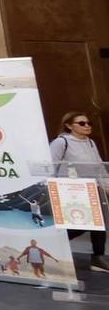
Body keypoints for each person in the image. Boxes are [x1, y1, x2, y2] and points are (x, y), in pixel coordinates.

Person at [52, 111, 109, 270]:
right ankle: (55, 246)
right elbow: (51, 166)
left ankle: (97, 258)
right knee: (80, 225)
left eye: (88, 123)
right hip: (72, 190)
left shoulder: (90, 142)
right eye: (82, 123)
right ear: (69, 125)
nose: (87, 126)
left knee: (99, 223)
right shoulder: (62, 142)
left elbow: (98, 166)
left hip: (91, 188)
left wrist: (106, 185)